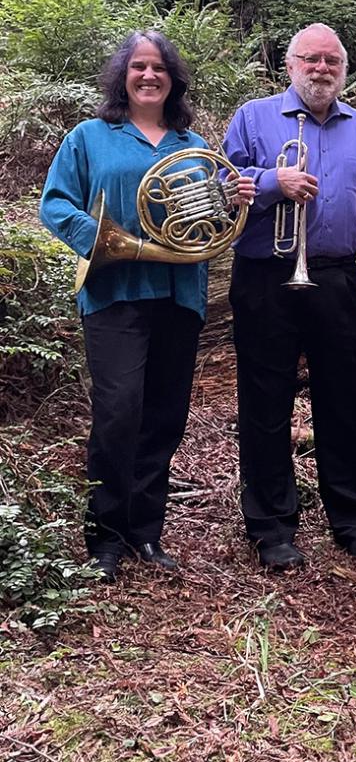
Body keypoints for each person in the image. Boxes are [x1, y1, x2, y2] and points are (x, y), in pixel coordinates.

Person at [39, 30, 255, 583]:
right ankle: (106, 536)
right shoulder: (91, 136)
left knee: (164, 415)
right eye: (138, 67)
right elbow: (55, 204)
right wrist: (102, 239)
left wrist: (231, 200)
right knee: (118, 413)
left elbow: (208, 222)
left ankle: (146, 533)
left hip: (179, 296)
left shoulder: (193, 144)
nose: (149, 76)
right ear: (123, 75)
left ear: (172, 79)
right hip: (113, 293)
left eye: (159, 68)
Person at [222, 23, 356, 573]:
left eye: (331, 61)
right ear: (290, 64)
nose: (321, 69)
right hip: (265, 276)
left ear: (344, 70)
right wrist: (274, 183)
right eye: (310, 59)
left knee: (347, 401)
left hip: (339, 278)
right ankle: (271, 527)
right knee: (265, 403)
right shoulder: (253, 117)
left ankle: (355, 522)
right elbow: (222, 187)